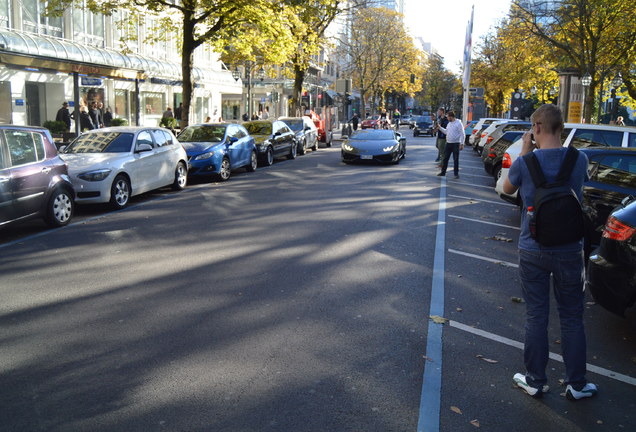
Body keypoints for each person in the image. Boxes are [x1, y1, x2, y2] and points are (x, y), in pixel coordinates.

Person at [502, 104, 597, 401]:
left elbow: (506, 188)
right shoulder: (579, 159)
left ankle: (535, 380)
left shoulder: (526, 162)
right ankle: (577, 384)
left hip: (533, 248)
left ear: (537, 128)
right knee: (572, 317)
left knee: (536, 316)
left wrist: (525, 151)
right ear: (562, 128)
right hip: (570, 249)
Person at [435, 111, 464, 179]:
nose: (447, 118)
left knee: (455, 159)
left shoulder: (458, 123)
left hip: (455, 143)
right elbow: (446, 132)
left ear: (451, 117)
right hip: (448, 143)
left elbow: (462, 134)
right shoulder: (449, 124)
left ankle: (456, 173)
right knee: (445, 158)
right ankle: (443, 172)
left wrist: (462, 143)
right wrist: (440, 128)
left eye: (448, 117)